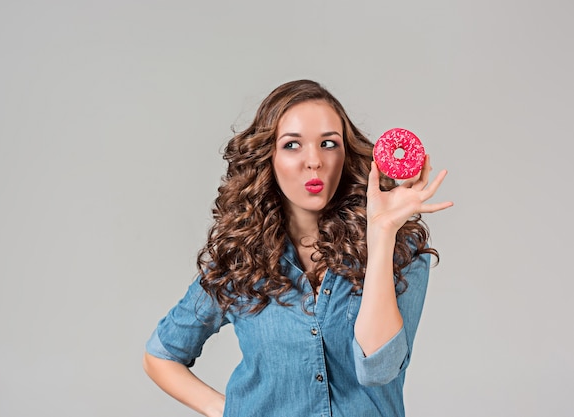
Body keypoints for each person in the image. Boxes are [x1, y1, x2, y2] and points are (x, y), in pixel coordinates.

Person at [143, 79, 453, 417]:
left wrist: (381, 234)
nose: (314, 161)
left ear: (346, 153)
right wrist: (234, 411)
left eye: (328, 143)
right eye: (293, 145)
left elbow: (378, 370)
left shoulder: (400, 249)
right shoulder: (239, 260)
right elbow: (161, 355)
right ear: (269, 157)